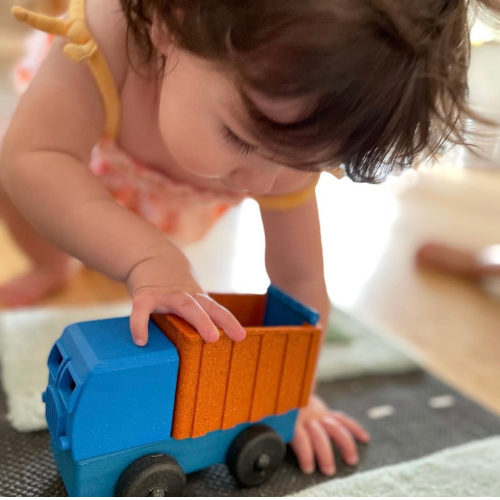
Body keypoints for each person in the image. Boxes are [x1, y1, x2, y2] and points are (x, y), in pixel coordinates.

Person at [1, 0, 498, 477]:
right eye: (241, 138)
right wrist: (146, 255)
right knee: (22, 193)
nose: (264, 184)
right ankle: (51, 263)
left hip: (170, 182)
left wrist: (290, 398)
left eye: (311, 163)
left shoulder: (289, 130)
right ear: (167, 22)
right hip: (74, 144)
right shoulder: (102, 37)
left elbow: (300, 276)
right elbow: (34, 158)